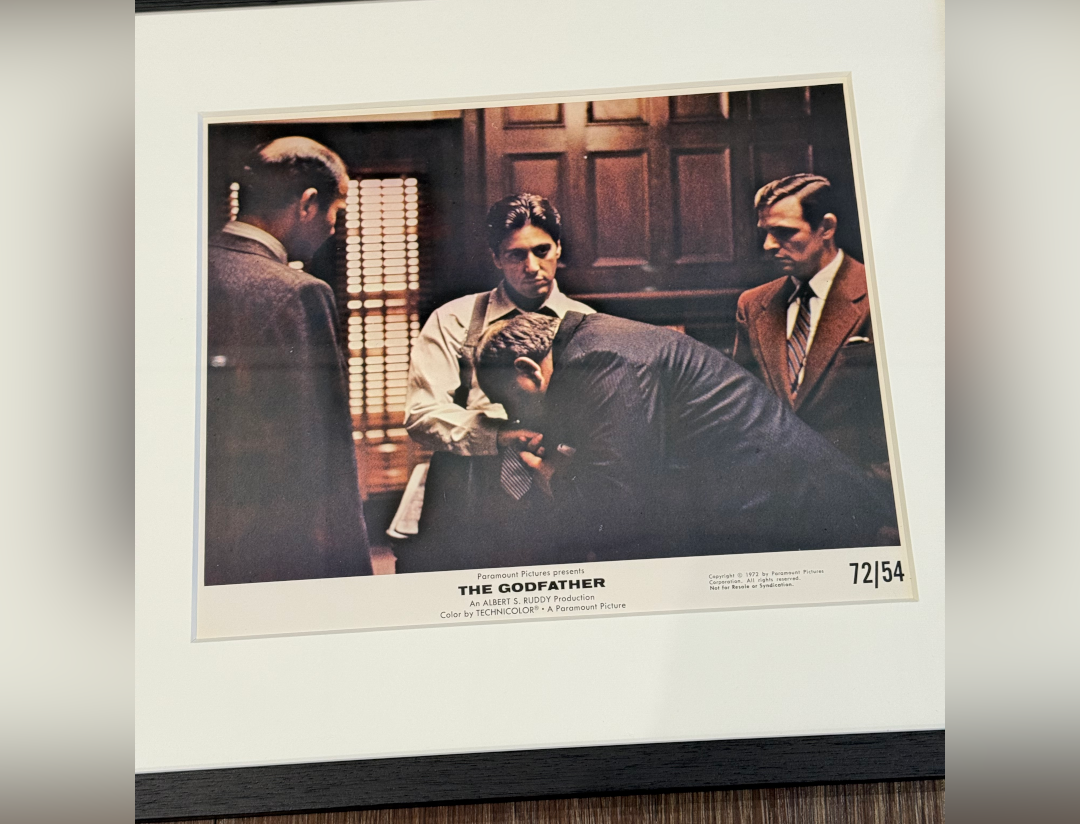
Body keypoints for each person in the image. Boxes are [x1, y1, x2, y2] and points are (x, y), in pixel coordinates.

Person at [474, 311, 898, 564]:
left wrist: (553, 475)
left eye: (514, 403)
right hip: (787, 510)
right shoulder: (594, 343)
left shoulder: (598, 358)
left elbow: (620, 502)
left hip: (810, 519)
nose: (519, 417)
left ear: (528, 369)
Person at [204, 136, 373, 584]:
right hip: (275, 543)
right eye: (337, 212)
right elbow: (323, 448)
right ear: (308, 203)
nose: (334, 228)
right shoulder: (298, 292)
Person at [400, 194, 593, 559]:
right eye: (515, 255)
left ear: (558, 248)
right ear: (496, 258)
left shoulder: (588, 323)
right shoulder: (453, 320)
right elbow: (421, 415)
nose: (531, 266)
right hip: (472, 481)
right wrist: (498, 435)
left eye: (541, 250)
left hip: (558, 478)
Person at [734, 174, 890, 477]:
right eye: (766, 232)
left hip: (862, 490)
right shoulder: (752, 305)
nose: (768, 245)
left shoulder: (881, 294)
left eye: (784, 232)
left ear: (827, 228)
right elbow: (743, 409)